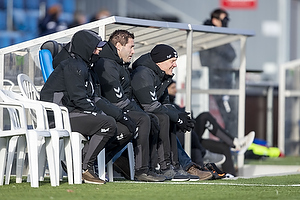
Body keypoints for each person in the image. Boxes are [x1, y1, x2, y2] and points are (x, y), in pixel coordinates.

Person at [40, 29, 135, 184]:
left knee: (124, 128)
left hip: (72, 112)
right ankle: (84, 168)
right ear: (85, 47)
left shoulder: (87, 66)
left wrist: (120, 115)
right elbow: (80, 99)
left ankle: (80, 163)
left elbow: (95, 98)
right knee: (107, 123)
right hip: (58, 117)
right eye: (96, 46)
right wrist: (103, 115)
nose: (99, 50)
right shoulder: (73, 65)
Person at [131, 44, 213, 181]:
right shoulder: (143, 73)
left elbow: (166, 104)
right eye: (172, 61)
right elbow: (150, 105)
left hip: (148, 116)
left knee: (169, 118)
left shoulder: (161, 74)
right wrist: (176, 117)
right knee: (164, 118)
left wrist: (180, 116)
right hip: (136, 116)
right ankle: (168, 168)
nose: (175, 65)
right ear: (160, 62)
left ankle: (176, 166)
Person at [93, 29, 166, 182]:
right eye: (131, 47)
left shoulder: (119, 64)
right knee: (143, 119)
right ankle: (142, 170)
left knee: (152, 119)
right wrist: (139, 112)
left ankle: (151, 167)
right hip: (105, 110)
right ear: (119, 46)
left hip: (115, 109)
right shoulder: (106, 64)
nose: (133, 51)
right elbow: (117, 100)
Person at [167, 80, 255, 176]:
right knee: (205, 117)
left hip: (192, 137)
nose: (176, 90)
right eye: (172, 88)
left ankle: (231, 175)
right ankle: (235, 144)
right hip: (181, 136)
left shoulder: (174, 104)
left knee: (224, 148)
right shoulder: (165, 104)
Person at [200, 8, 238, 137]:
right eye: (224, 20)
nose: (226, 23)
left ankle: (231, 141)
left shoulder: (219, 36)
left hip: (221, 81)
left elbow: (232, 54)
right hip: (216, 81)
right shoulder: (211, 36)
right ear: (215, 20)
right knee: (228, 114)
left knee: (229, 114)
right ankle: (232, 141)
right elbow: (230, 54)